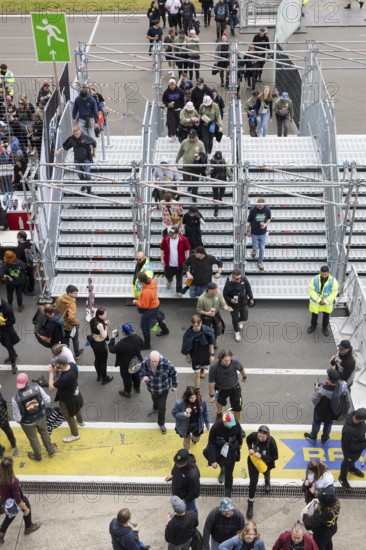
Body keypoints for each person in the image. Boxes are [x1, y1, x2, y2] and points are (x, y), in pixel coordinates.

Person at [12, 373, 57, 461]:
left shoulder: (15, 398)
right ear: (27, 381)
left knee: (33, 439)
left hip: (27, 423)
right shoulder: (37, 388)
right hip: (41, 417)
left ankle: (38, 456)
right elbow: (48, 400)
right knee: (44, 432)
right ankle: (50, 450)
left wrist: (22, 421)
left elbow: (17, 418)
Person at [304, 368, 350, 446]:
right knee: (328, 425)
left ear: (329, 379)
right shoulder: (343, 387)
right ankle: (324, 440)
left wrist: (316, 389)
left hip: (320, 412)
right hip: (333, 413)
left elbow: (314, 401)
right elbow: (347, 400)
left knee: (316, 423)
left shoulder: (321, 390)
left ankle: (313, 437)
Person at [0, 457, 41, 543]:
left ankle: (1, 533)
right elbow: (18, 500)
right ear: (11, 468)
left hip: (5, 500)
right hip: (14, 502)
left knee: (10, 515)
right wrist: (26, 509)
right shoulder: (13, 482)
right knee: (25, 505)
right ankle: (28, 527)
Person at [48, 352, 85, 443]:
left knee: (69, 416)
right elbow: (66, 369)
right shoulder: (72, 365)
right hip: (75, 393)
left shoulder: (64, 378)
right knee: (77, 408)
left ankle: (75, 434)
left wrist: (51, 373)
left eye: (56, 364)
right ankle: (81, 422)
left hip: (67, 400)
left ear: (61, 365)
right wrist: (59, 368)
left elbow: (51, 387)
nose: (55, 365)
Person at [203, 411, 242, 498]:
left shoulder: (236, 424)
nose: (231, 426)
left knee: (229, 474)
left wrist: (240, 444)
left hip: (231, 449)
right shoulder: (215, 427)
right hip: (219, 447)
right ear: (223, 421)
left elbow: (239, 434)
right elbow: (211, 444)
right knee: (206, 452)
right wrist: (212, 461)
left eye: (232, 424)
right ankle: (222, 468)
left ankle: (228, 496)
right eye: (229, 425)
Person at [139, 350, 178, 433]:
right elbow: (141, 372)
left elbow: (174, 373)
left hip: (163, 389)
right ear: (150, 358)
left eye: (155, 361)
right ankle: (154, 408)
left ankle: (161, 423)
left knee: (162, 406)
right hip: (152, 388)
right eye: (152, 361)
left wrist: (174, 385)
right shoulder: (145, 362)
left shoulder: (166, 363)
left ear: (159, 359)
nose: (153, 363)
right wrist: (143, 378)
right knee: (154, 399)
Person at [246, 425, 278, 519]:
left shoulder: (271, 442)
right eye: (259, 436)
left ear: (267, 436)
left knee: (266, 473)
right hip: (253, 461)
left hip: (266, 462)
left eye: (263, 437)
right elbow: (248, 439)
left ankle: (267, 480)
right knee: (253, 482)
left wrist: (262, 456)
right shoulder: (254, 435)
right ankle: (250, 502)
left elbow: (275, 457)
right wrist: (250, 448)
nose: (260, 438)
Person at [55, 124, 97, 193]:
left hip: (86, 158)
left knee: (87, 174)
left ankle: (89, 190)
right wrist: (58, 151)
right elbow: (65, 146)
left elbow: (94, 142)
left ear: (80, 131)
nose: (76, 135)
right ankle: (84, 184)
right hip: (77, 159)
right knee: (79, 173)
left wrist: (94, 152)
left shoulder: (85, 137)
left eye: (77, 134)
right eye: (75, 134)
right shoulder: (72, 139)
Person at [208, 349, 246, 424]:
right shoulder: (214, 367)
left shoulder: (234, 361)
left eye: (229, 360)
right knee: (219, 401)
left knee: (237, 406)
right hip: (220, 388)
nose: (228, 362)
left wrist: (244, 376)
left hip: (235, 388)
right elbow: (211, 382)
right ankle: (219, 413)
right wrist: (211, 395)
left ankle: (237, 423)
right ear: (221, 359)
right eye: (226, 361)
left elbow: (241, 369)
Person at [133, 272, 169, 350]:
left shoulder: (146, 292)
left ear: (141, 281)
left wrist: (136, 301)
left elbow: (144, 305)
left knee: (144, 327)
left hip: (149, 309)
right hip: (155, 305)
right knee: (158, 318)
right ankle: (165, 330)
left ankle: (147, 345)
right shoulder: (152, 282)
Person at [108, 323, 144, 398]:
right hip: (136, 361)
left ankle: (127, 392)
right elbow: (142, 346)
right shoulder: (137, 338)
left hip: (126, 364)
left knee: (127, 379)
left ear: (123, 332)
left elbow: (112, 349)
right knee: (136, 375)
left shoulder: (122, 344)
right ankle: (137, 388)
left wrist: (113, 338)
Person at [181, 314, 215, 386]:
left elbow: (211, 343)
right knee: (197, 374)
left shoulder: (207, 331)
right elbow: (186, 345)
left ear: (201, 323)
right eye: (195, 326)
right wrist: (187, 356)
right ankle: (197, 390)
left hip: (206, 355)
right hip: (195, 356)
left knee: (206, 367)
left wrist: (212, 355)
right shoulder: (188, 334)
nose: (197, 328)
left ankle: (202, 368)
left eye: (198, 326)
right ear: (192, 324)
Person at [172, 385, 210, 449]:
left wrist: (207, 423)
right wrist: (183, 415)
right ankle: (187, 454)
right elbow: (174, 414)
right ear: (187, 397)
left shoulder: (201, 401)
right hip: (185, 426)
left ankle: (193, 439)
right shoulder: (180, 403)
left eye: (194, 397)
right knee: (186, 440)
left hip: (197, 425)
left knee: (196, 440)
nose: (193, 399)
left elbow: (205, 412)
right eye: (191, 398)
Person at [165, 448, 200, 515]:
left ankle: (193, 523)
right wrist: (172, 475)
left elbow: (195, 492)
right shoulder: (179, 462)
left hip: (186, 499)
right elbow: (175, 469)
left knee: (191, 512)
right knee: (180, 513)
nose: (177, 465)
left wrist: (184, 500)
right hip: (177, 494)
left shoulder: (192, 475)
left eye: (180, 464)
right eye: (176, 462)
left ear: (186, 461)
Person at [338, 407, 366, 490]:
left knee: (353, 460)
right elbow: (350, 447)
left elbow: (363, 428)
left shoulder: (359, 420)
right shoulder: (349, 431)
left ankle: (351, 468)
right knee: (346, 463)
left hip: (358, 447)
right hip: (350, 452)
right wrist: (364, 444)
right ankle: (342, 478)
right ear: (361, 419)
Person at [223, 269, 254, 342]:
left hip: (243, 303)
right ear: (233, 277)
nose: (239, 280)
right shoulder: (228, 284)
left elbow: (248, 289)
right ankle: (237, 332)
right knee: (235, 318)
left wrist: (251, 298)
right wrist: (231, 300)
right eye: (237, 279)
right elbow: (225, 295)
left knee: (245, 317)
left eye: (240, 278)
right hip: (233, 305)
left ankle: (239, 321)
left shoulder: (244, 279)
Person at [307, 266, 339, 337]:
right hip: (316, 302)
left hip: (326, 302)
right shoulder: (314, 279)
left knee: (326, 316)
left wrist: (325, 301)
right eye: (322, 274)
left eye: (326, 274)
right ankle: (313, 326)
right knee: (314, 314)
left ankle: (325, 328)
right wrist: (319, 300)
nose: (324, 276)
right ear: (320, 272)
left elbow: (334, 293)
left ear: (328, 273)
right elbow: (311, 290)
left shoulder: (333, 281)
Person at [56, 285, 84, 360]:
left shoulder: (60, 298)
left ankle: (65, 356)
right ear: (69, 293)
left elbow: (56, 308)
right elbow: (71, 317)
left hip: (61, 324)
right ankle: (77, 354)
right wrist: (76, 323)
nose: (76, 295)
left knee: (65, 341)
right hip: (69, 326)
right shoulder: (71, 303)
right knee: (75, 340)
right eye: (75, 293)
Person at [160, 225, 190, 295]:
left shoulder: (183, 239)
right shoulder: (166, 238)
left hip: (179, 263)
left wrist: (187, 258)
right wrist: (162, 259)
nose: (170, 236)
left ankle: (178, 291)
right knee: (168, 275)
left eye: (172, 235)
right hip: (168, 262)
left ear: (177, 234)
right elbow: (162, 249)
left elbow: (187, 249)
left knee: (179, 277)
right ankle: (169, 280)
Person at [89, 307, 114, 385]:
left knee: (97, 359)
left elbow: (95, 329)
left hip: (93, 342)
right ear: (100, 316)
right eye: (105, 314)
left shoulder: (93, 320)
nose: (106, 315)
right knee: (103, 361)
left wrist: (104, 323)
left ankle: (99, 376)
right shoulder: (100, 325)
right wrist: (105, 326)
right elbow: (103, 336)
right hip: (100, 344)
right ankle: (105, 378)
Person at [246, 197, 272, 272]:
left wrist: (266, 225)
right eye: (259, 206)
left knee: (262, 248)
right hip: (254, 232)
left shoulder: (267, 209)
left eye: (261, 206)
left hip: (263, 233)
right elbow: (249, 221)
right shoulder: (253, 210)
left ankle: (260, 262)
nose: (260, 207)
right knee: (255, 246)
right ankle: (254, 250)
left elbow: (269, 218)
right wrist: (248, 231)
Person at [206, 150, 233, 217]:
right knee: (215, 196)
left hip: (222, 180)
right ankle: (216, 209)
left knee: (222, 193)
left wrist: (231, 178)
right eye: (217, 159)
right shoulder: (210, 161)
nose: (218, 161)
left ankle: (220, 197)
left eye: (219, 159)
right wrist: (211, 170)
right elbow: (206, 172)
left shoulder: (224, 161)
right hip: (214, 180)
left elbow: (228, 170)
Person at [0, 298, 19, 374]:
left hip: (7, 330)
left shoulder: (8, 308)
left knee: (9, 347)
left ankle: (13, 365)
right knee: (3, 343)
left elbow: (12, 321)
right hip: (0, 330)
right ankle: (14, 354)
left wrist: (3, 324)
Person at [163, 79, 185, 143]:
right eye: (171, 86)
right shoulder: (166, 92)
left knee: (179, 123)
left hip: (179, 109)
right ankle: (173, 135)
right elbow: (164, 100)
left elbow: (182, 101)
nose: (172, 87)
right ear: (169, 85)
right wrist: (168, 104)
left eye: (174, 85)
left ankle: (180, 135)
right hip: (170, 110)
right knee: (171, 123)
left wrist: (182, 108)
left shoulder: (180, 91)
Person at [15, 230, 35, 295]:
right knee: (31, 276)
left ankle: (26, 291)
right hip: (30, 263)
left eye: (18, 237)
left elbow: (18, 258)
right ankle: (32, 288)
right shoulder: (30, 244)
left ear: (22, 238)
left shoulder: (19, 247)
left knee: (24, 278)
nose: (17, 238)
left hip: (23, 265)